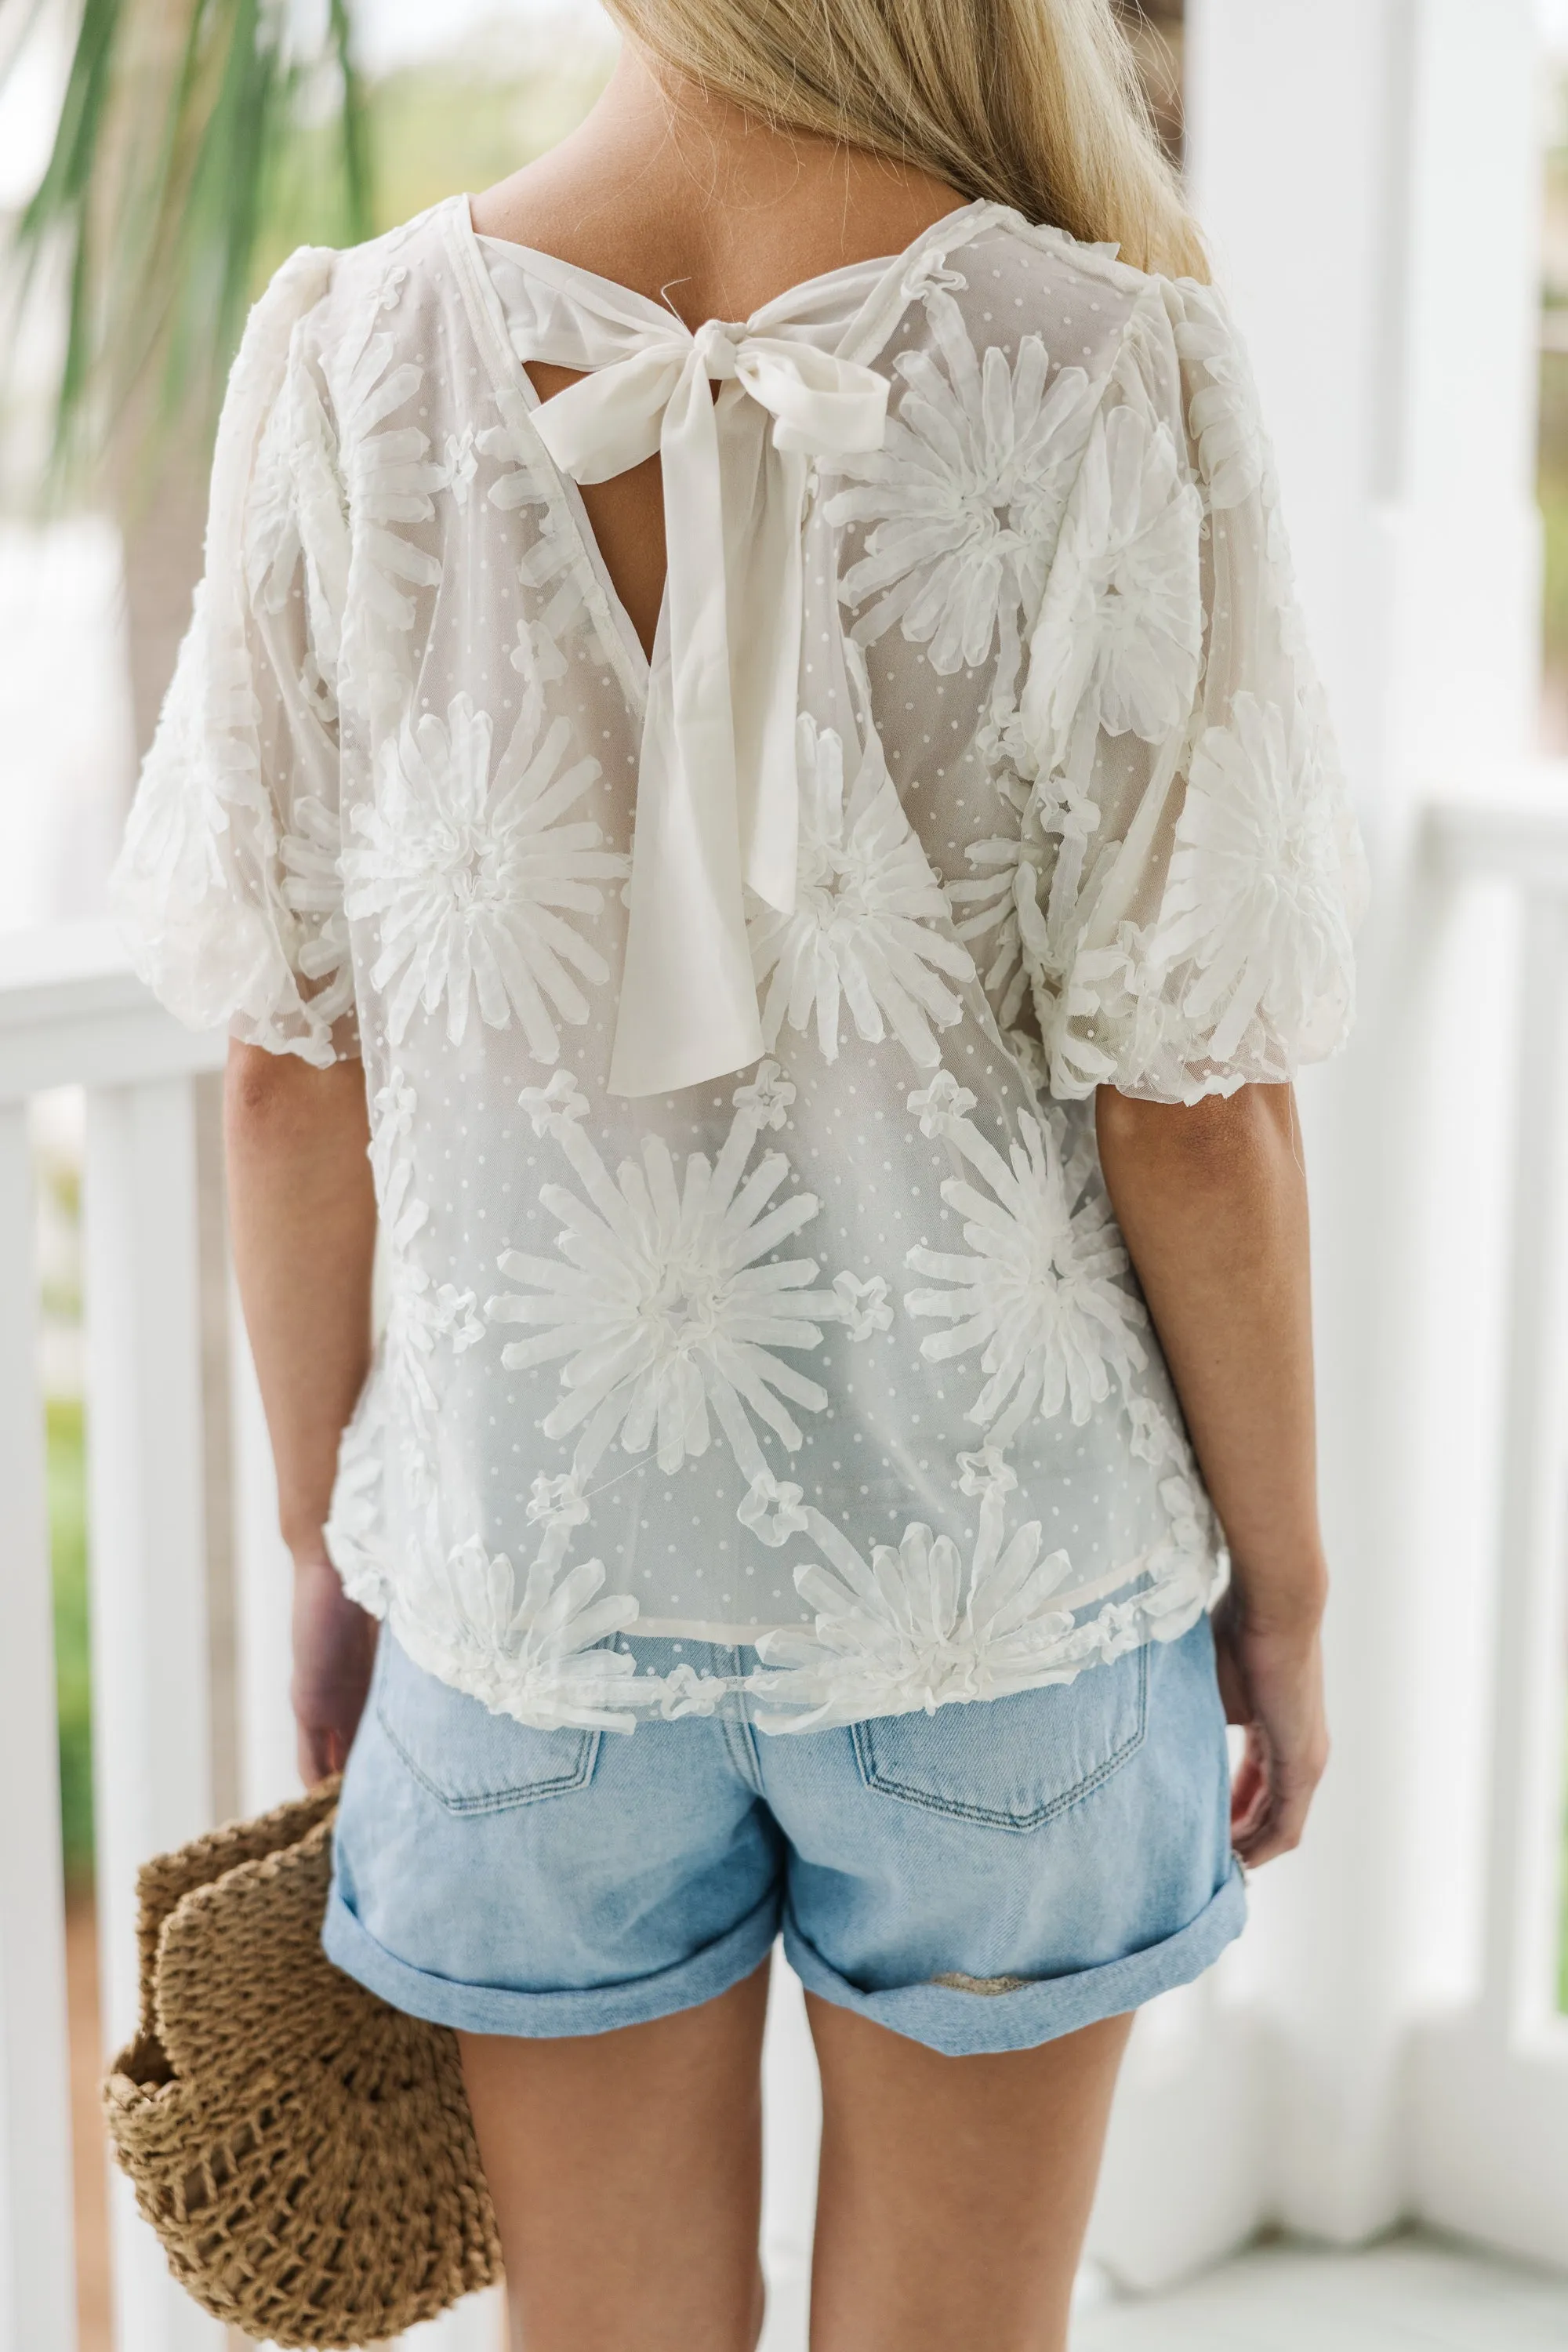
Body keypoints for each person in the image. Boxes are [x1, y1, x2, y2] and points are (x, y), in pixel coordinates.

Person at [112, 2, 1365, 2344]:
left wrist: (329, 1528)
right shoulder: (1115, 365)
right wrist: (1284, 1593)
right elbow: (1198, 1102)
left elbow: (284, 1067)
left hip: (527, 1589)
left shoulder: (356, 358)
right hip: (1008, 1590)